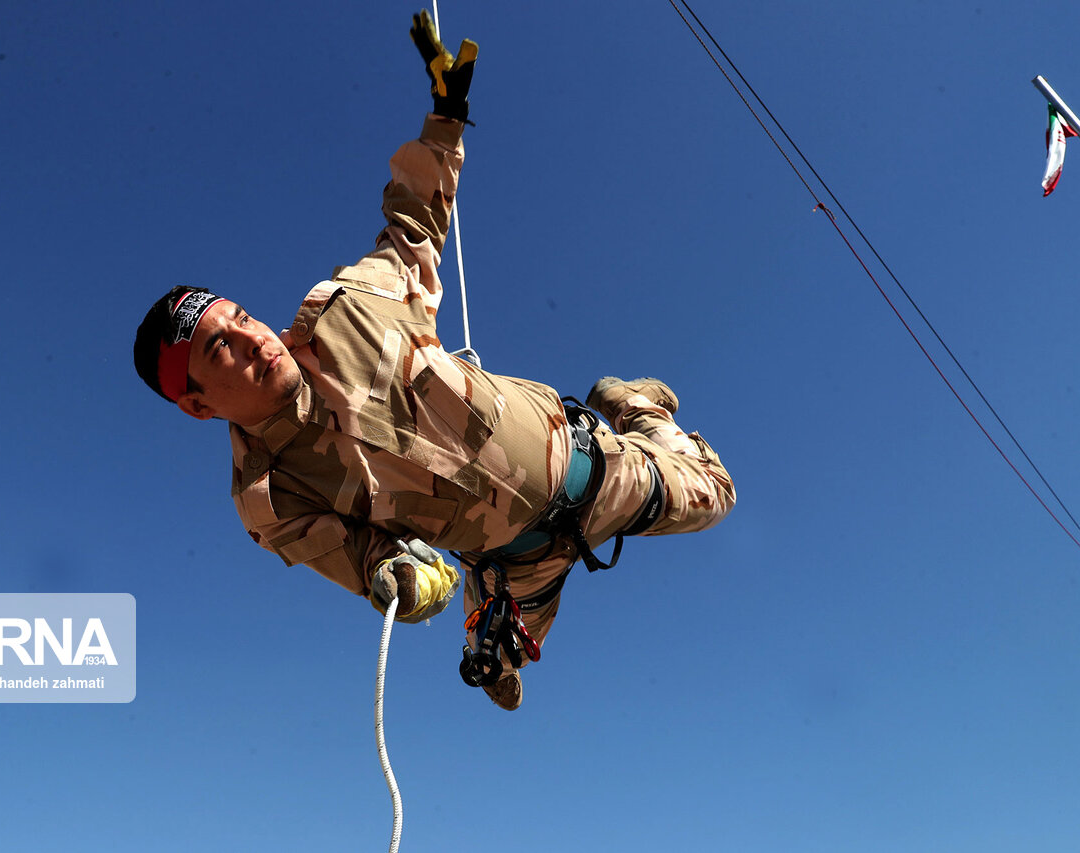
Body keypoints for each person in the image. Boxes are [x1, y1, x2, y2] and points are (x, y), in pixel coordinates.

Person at [133, 11, 735, 710]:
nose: (254, 338)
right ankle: (493, 647)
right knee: (503, 643)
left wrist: (446, 117)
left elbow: (413, 220)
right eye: (220, 348)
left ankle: (637, 408)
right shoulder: (268, 497)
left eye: (240, 317)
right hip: (518, 560)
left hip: (593, 472)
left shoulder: (348, 309)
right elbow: (367, 561)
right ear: (197, 401)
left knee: (716, 494)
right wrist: (404, 582)